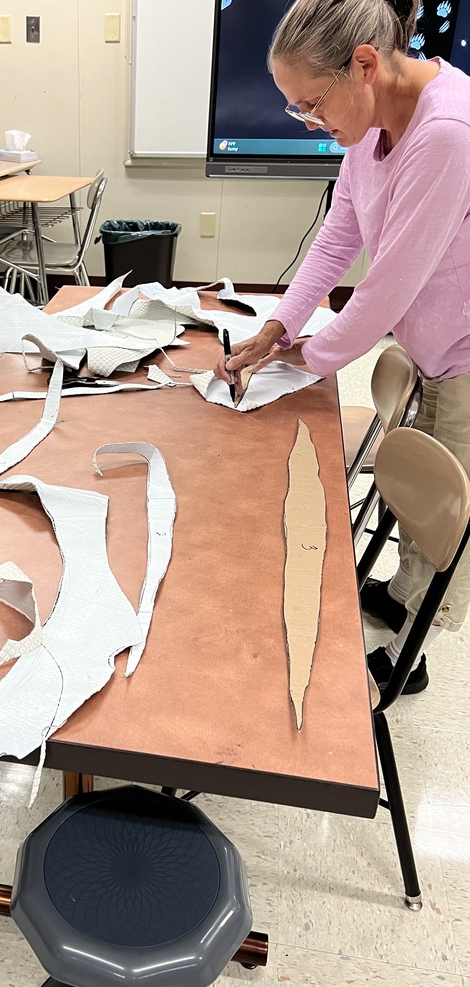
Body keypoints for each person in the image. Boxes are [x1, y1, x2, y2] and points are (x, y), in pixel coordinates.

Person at [214, 0, 470, 694]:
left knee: (442, 508)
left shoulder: (446, 132)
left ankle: (406, 656)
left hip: (465, 354)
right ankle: (400, 591)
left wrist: (310, 356)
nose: (310, 123)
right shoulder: (369, 126)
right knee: (416, 490)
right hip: (434, 341)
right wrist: (279, 326)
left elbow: (386, 289)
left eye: (310, 105)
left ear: (363, 65)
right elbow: (338, 240)